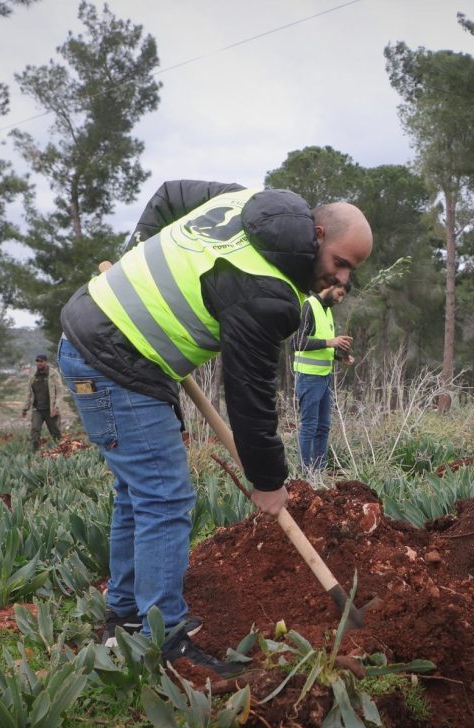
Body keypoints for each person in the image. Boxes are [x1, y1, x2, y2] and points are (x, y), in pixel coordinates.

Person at [57, 180, 372, 674]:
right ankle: (166, 644)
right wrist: (268, 482)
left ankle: (125, 621)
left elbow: (171, 194)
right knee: (163, 495)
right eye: (342, 262)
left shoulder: (255, 199)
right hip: (112, 356)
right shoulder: (269, 293)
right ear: (316, 233)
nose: (344, 278)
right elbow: (249, 396)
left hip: (99, 337)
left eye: (353, 268)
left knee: (138, 492)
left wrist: (138, 245)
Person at [293, 283, 354, 473]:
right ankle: (305, 472)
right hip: (309, 378)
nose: (340, 299)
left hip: (324, 378)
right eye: (339, 293)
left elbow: (323, 347)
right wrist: (331, 342)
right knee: (310, 426)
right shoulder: (309, 306)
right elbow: (297, 342)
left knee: (324, 427)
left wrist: (340, 357)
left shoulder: (327, 310)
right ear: (330, 286)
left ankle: (319, 471)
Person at [22, 353, 63, 451]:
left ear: (46, 362)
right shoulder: (33, 375)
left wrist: (56, 407)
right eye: (37, 361)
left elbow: (60, 392)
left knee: (55, 432)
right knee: (35, 429)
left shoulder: (53, 374)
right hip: (37, 409)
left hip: (50, 409)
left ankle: (62, 449)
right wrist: (25, 408)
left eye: (41, 361)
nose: (39, 363)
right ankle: (34, 451)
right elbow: (28, 393)